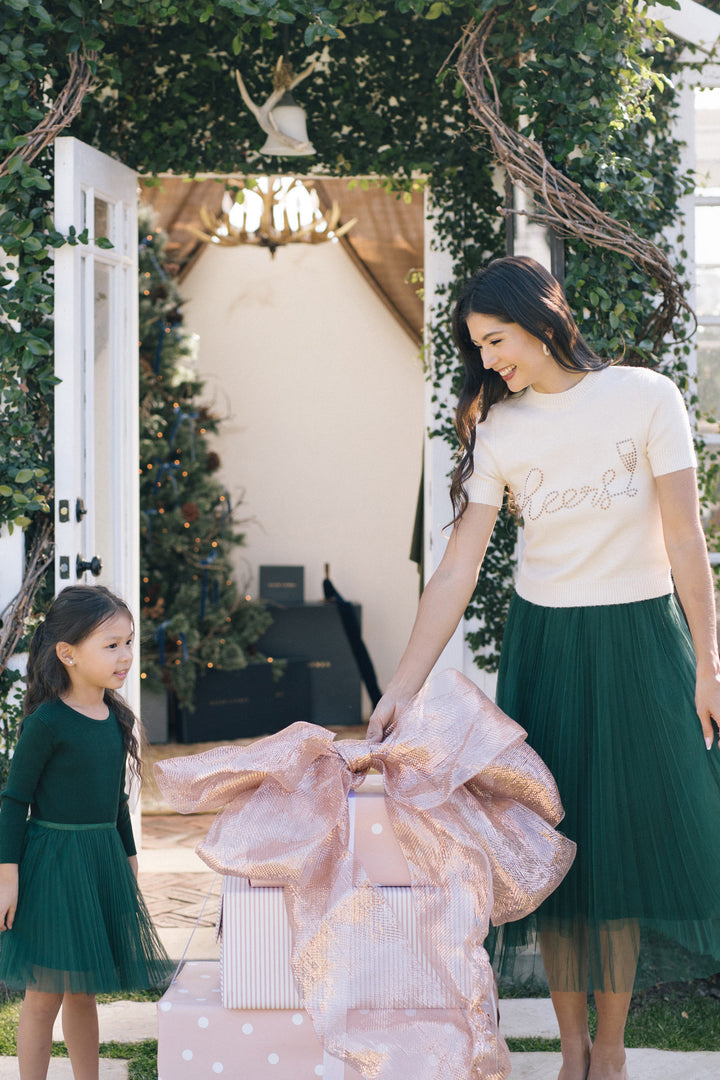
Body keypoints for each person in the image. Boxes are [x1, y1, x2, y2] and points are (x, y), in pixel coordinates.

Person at [367, 255, 720, 1080]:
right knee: (548, 853)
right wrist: (401, 689)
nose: (489, 360)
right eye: (478, 347)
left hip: (641, 642)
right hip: (547, 647)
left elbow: (686, 541)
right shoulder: (501, 428)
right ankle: (570, 1053)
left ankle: (611, 1051)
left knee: (617, 853)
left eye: (496, 340)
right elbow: (457, 570)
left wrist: (709, 664)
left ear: (541, 319)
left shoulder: (646, 396)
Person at [0, 585, 173, 1080]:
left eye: (129, 642)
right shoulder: (47, 722)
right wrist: (7, 878)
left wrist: (129, 860)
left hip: (99, 861)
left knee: (83, 991)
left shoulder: (116, 719)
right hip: (53, 865)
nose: (125, 656)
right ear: (68, 653)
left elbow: (115, 801)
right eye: (111, 645)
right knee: (43, 994)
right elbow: (14, 802)